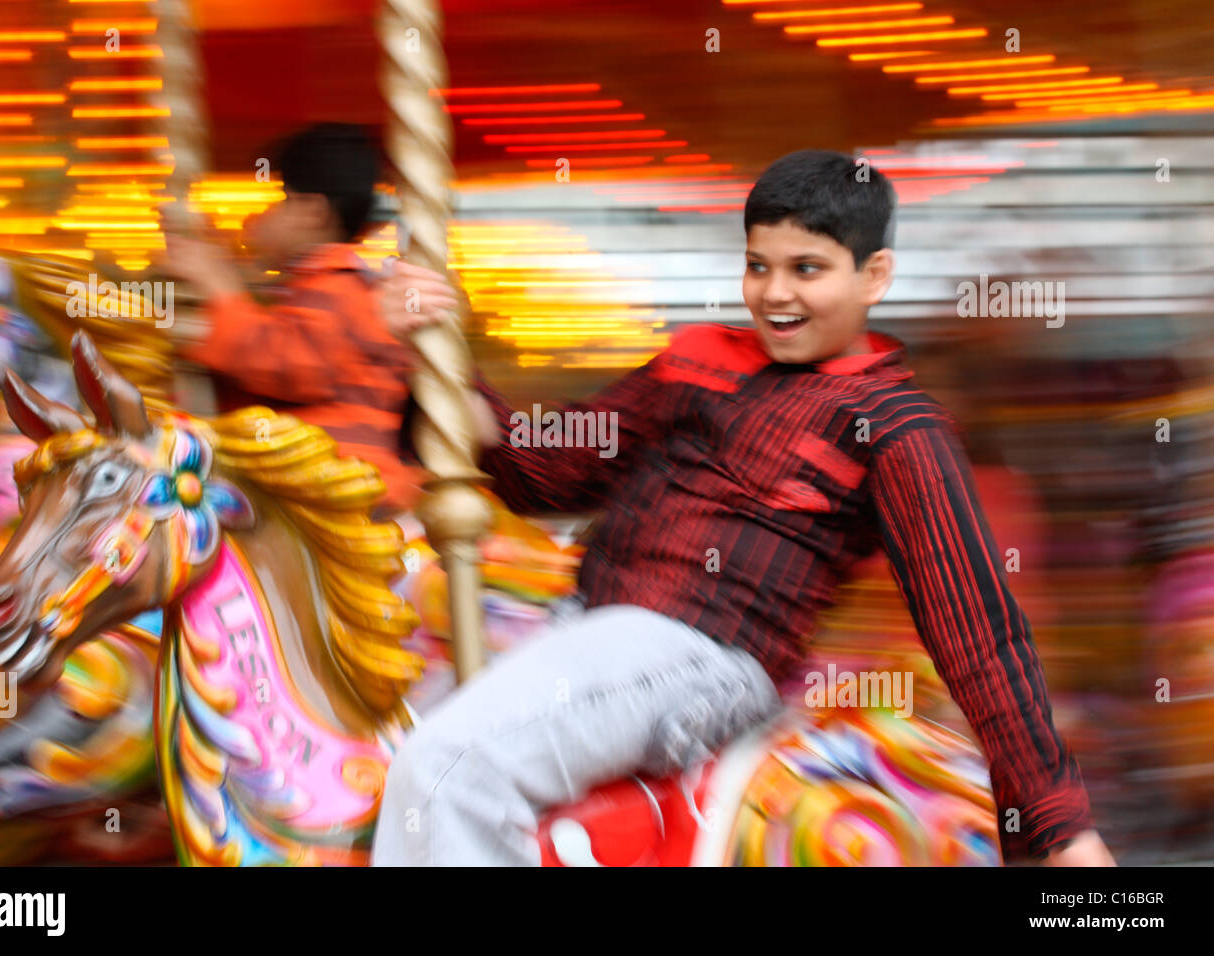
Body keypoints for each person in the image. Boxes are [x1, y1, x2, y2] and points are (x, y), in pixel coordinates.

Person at [373, 149, 1116, 867]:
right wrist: (441, 363)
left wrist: (1058, 825)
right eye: (758, 266)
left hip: (699, 656)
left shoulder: (894, 425)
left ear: (874, 276)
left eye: (807, 269)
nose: (775, 293)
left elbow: (977, 632)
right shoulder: (698, 359)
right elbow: (552, 472)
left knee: (446, 771)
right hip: (590, 626)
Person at [162, 122, 425, 512]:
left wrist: (222, 288)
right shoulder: (307, 289)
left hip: (345, 486)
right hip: (302, 484)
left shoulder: (344, 289)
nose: (259, 216)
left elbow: (290, 365)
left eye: (274, 199)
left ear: (311, 212)